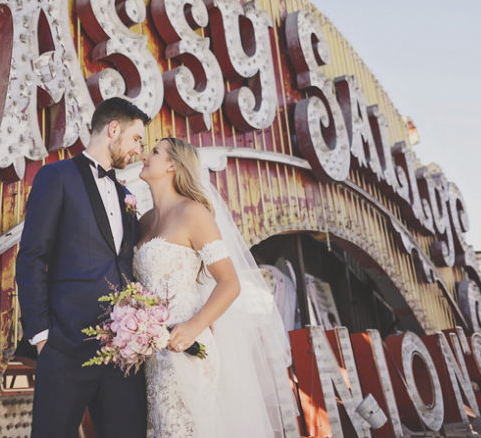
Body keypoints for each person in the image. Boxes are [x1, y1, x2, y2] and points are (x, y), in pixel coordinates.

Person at [135, 137, 299, 438]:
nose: (146, 155)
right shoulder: (144, 222)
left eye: (155, 152)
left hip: (187, 342)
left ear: (173, 165)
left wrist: (193, 326)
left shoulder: (193, 213)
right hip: (151, 349)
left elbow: (229, 282)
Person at [16, 97, 151, 438]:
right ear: (114, 129)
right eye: (136, 139)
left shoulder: (125, 194)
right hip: (65, 347)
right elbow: (32, 256)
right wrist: (43, 336)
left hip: (123, 356)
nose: (138, 150)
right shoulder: (56, 176)